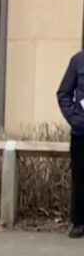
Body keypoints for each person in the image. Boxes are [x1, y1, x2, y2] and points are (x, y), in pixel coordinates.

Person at [57, 50, 84, 238]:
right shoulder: (77, 61)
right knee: (81, 178)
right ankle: (78, 221)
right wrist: (76, 119)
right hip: (81, 133)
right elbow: (63, 93)